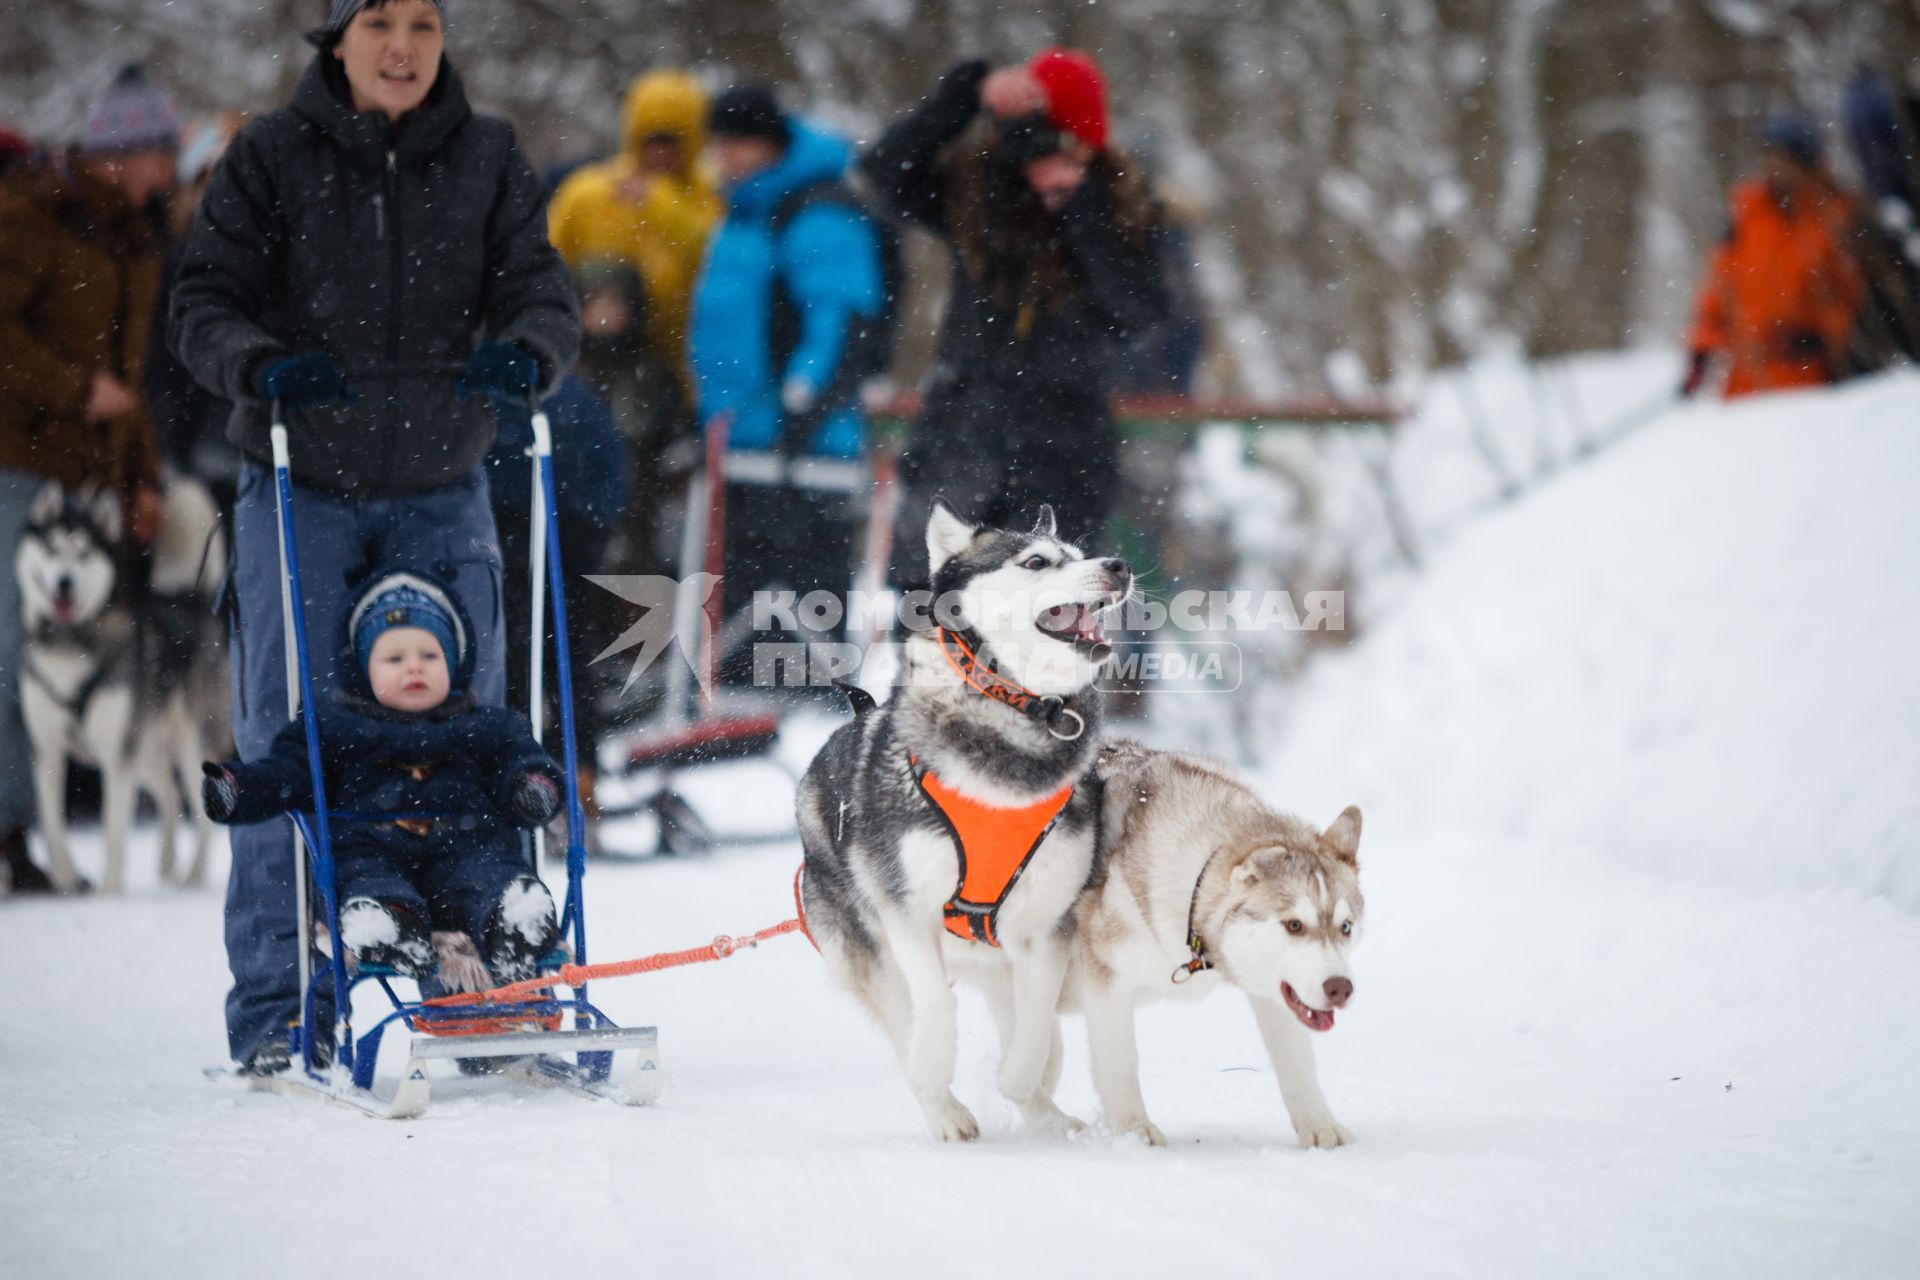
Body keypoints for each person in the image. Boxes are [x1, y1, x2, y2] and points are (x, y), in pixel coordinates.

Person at [170, 0, 578, 1075]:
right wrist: (258, 361)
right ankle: (277, 1007)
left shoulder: (487, 154)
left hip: (444, 477)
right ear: (336, 36)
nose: (404, 48)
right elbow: (202, 301)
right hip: (304, 476)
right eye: (381, 22)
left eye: (426, 25)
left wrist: (528, 351)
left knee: (480, 733)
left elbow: (542, 291)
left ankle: (500, 980)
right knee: (286, 736)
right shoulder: (267, 154)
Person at [862, 48, 1168, 588]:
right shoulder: (979, 190)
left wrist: (1074, 205)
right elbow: (885, 173)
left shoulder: (1119, 201)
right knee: (929, 612)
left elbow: (1139, 311)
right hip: (959, 433)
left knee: (1044, 625)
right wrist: (964, 94)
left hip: (1061, 449)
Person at [201, 573, 564, 984]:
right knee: (363, 879)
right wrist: (240, 788)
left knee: (491, 873)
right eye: (393, 659)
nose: (414, 667)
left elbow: (524, 760)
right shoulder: (335, 728)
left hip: (466, 847)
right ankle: (386, 925)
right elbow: (286, 772)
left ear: (454, 663)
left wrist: (533, 787)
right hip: (372, 851)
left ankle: (514, 920)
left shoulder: (488, 726)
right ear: (362, 668)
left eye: (430, 656)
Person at [0, 65, 177, 895]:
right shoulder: (31, 215)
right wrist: (71, 389)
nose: (171, 170)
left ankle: (40, 828)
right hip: (16, 467)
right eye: (161, 152)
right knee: (12, 648)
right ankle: (8, 834)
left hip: (95, 478)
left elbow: (126, 378)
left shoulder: (137, 241)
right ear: (120, 153)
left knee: (90, 650)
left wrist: (143, 477)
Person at [688, 84, 885, 683]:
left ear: (768, 143)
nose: (725, 156)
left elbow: (841, 318)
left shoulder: (815, 210)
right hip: (740, 441)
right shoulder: (743, 210)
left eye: (737, 142)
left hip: (801, 446)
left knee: (800, 611)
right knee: (741, 603)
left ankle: (808, 705)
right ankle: (735, 695)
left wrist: (805, 410)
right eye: (719, 143)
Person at [547, 70, 719, 392]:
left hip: (686, 374)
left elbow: (713, 254)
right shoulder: (590, 193)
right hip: (598, 370)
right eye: (651, 140)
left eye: (673, 141)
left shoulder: (710, 198)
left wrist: (659, 203)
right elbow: (546, 266)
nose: (660, 153)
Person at [1682, 109, 1863, 399]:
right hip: (1745, 382)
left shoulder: (1832, 215)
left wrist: (1815, 340)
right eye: (1768, 157)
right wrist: (1700, 351)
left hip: (1811, 384)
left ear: (1806, 163)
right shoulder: (1746, 213)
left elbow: (1850, 296)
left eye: (1783, 159)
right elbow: (1718, 287)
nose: (1773, 168)